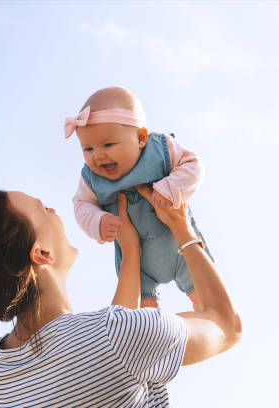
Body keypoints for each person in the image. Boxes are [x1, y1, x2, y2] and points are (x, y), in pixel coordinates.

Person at [0, 185, 242, 407]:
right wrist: (181, 228)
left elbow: (106, 357)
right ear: (41, 253)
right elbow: (227, 326)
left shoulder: (0, 369)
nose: (54, 211)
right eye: (43, 209)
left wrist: (131, 252)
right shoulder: (118, 337)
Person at [66, 86, 214, 312]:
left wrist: (171, 188)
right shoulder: (90, 178)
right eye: (88, 149)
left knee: (207, 302)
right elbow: (81, 205)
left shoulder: (160, 149)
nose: (98, 156)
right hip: (139, 261)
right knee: (142, 318)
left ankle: (206, 322)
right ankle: (154, 335)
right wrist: (98, 221)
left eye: (108, 145)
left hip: (179, 246)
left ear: (141, 138)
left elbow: (194, 166)